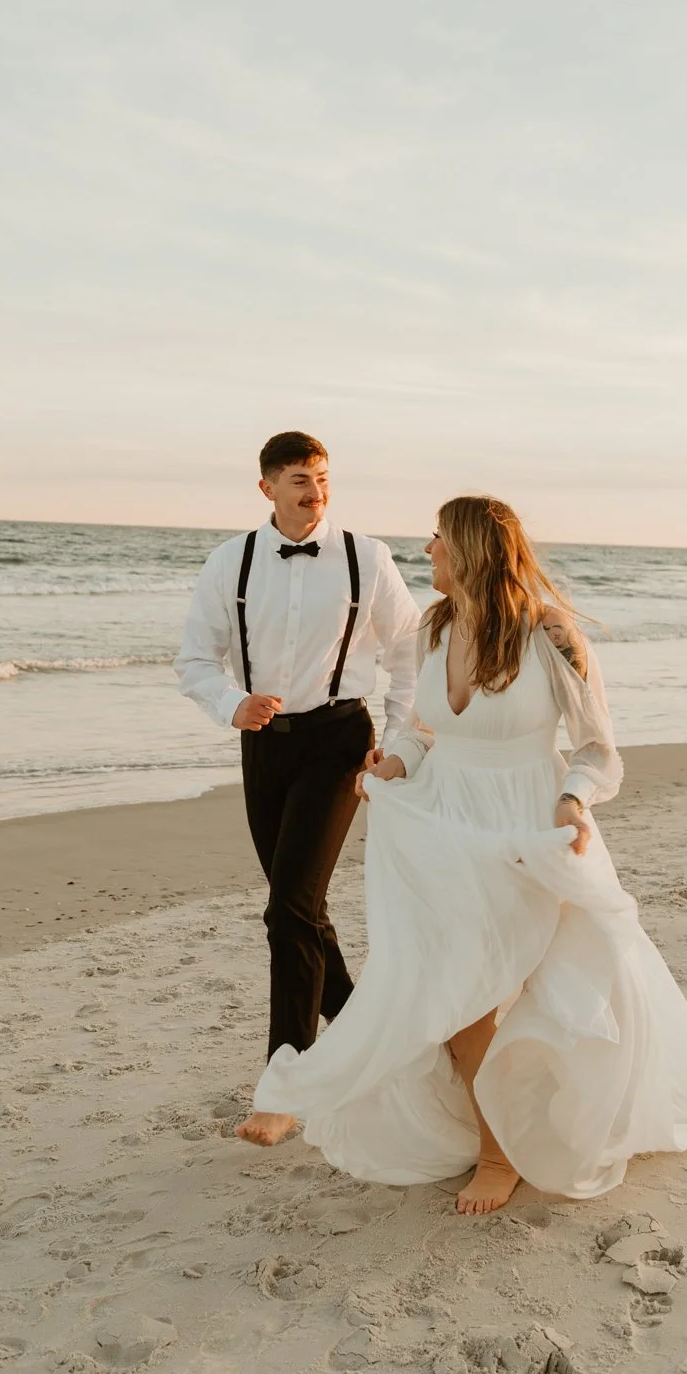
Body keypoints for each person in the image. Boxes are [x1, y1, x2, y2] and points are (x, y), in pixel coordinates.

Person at [250, 493, 687, 1212]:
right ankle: (485, 1141)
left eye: (438, 539)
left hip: (522, 827)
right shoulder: (433, 629)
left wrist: (575, 798)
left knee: (515, 990)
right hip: (443, 825)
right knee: (453, 988)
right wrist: (394, 764)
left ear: (471, 549)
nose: (427, 552)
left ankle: (506, 1147)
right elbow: (424, 729)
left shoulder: (550, 635)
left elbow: (595, 745)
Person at [175, 431, 421, 1146]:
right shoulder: (232, 560)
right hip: (264, 745)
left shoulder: (366, 557)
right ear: (266, 489)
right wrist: (231, 705)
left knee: (287, 909)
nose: (313, 492)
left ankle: (284, 1085)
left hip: (339, 744)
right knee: (301, 912)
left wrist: (396, 740)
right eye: (297, 480)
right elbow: (194, 659)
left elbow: (407, 653)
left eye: (320, 478)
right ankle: (372, 1037)